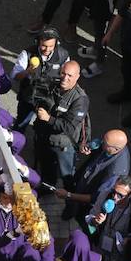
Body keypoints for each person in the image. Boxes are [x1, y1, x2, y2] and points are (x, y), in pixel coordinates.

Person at [34, 61, 89, 190]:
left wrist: (48, 118)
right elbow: (39, 99)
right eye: (63, 73)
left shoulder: (80, 99)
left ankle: (71, 196)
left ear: (77, 76)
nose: (65, 78)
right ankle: (48, 187)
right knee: (46, 168)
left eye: (70, 75)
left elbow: (68, 127)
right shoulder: (54, 85)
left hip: (62, 145)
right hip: (45, 137)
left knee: (67, 175)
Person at [57, 129, 130, 223]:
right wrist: (89, 146)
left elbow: (95, 197)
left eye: (105, 143)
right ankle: (70, 209)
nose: (102, 142)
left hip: (86, 201)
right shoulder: (112, 147)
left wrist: (69, 195)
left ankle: (73, 214)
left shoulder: (115, 173)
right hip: (84, 179)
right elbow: (101, 142)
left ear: (116, 149)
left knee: (79, 215)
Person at [11, 27, 70, 130]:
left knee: (44, 129)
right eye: (44, 46)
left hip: (50, 100)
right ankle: (15, 143)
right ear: (37, 42)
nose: (47, 50)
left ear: (56, 43)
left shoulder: (63, 56)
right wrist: (28, 71)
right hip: (28, 98)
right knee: (21, 124)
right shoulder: (27, 54)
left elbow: (68, 75)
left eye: (51, 46)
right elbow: (15, 76)